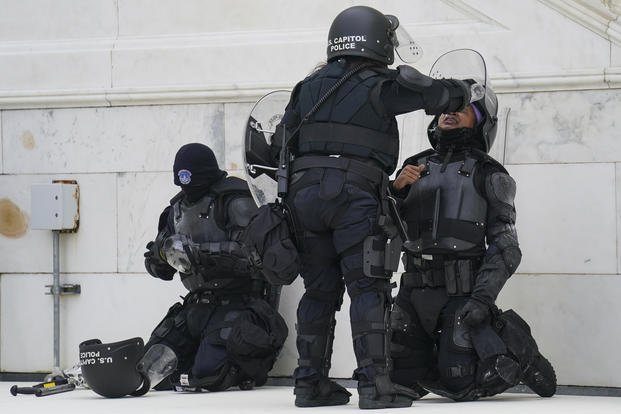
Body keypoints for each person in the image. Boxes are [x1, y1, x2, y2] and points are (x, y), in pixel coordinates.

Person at [270, 5, 475, 409]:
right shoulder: (380, 83)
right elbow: (440, 95)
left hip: (304, 195)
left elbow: (280, 141)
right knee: (368, 287)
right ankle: (375, 388)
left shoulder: (307, 86)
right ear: (379, 41)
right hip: (354, 192)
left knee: (318, 291)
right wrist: (463, 90)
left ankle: (309, 387)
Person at [389, 86, 557, 401]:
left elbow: (507, 246)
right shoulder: (412, 166)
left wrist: (481, 300)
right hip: (413, 291)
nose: (449, 113)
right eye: (445, 109)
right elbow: (382, 227)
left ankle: (520, 352)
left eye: (461, 109)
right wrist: (395, 190)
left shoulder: (489, 172)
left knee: (459, 385)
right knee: (398, 381)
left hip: (462, 294)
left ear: (479, 121)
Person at [142, 143, 288, 392]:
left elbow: (256, 257)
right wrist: (161, 254)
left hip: (238, 301)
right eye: (182, 181)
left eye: (192, 180)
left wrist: (203, 254)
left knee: (208, 376)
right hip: (196, 305)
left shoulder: (234, 200)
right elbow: (160, 269)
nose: (188, 188)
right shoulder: (176, 209)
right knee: (150, 371)